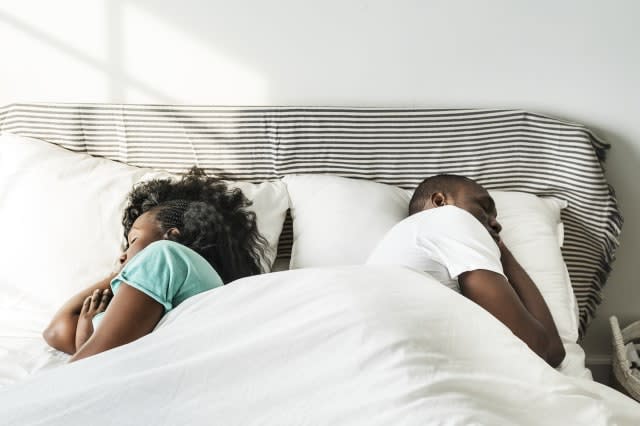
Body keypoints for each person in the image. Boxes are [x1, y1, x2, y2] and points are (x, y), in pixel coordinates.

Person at [43, 167, 268, 362]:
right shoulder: (173, 280)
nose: (122, 255)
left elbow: (90, 366)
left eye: (132, 240)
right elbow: (57, 332)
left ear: (172, 236)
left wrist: (124, 268)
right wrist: (85, 333)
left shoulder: (164, 255)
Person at [367, 174, 566, 368]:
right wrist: (503, 250)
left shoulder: (403, 240)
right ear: (439, 201)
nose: (497, 224)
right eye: (484, 207)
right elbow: (542, 349)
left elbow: (550, 351)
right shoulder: (450, 217)